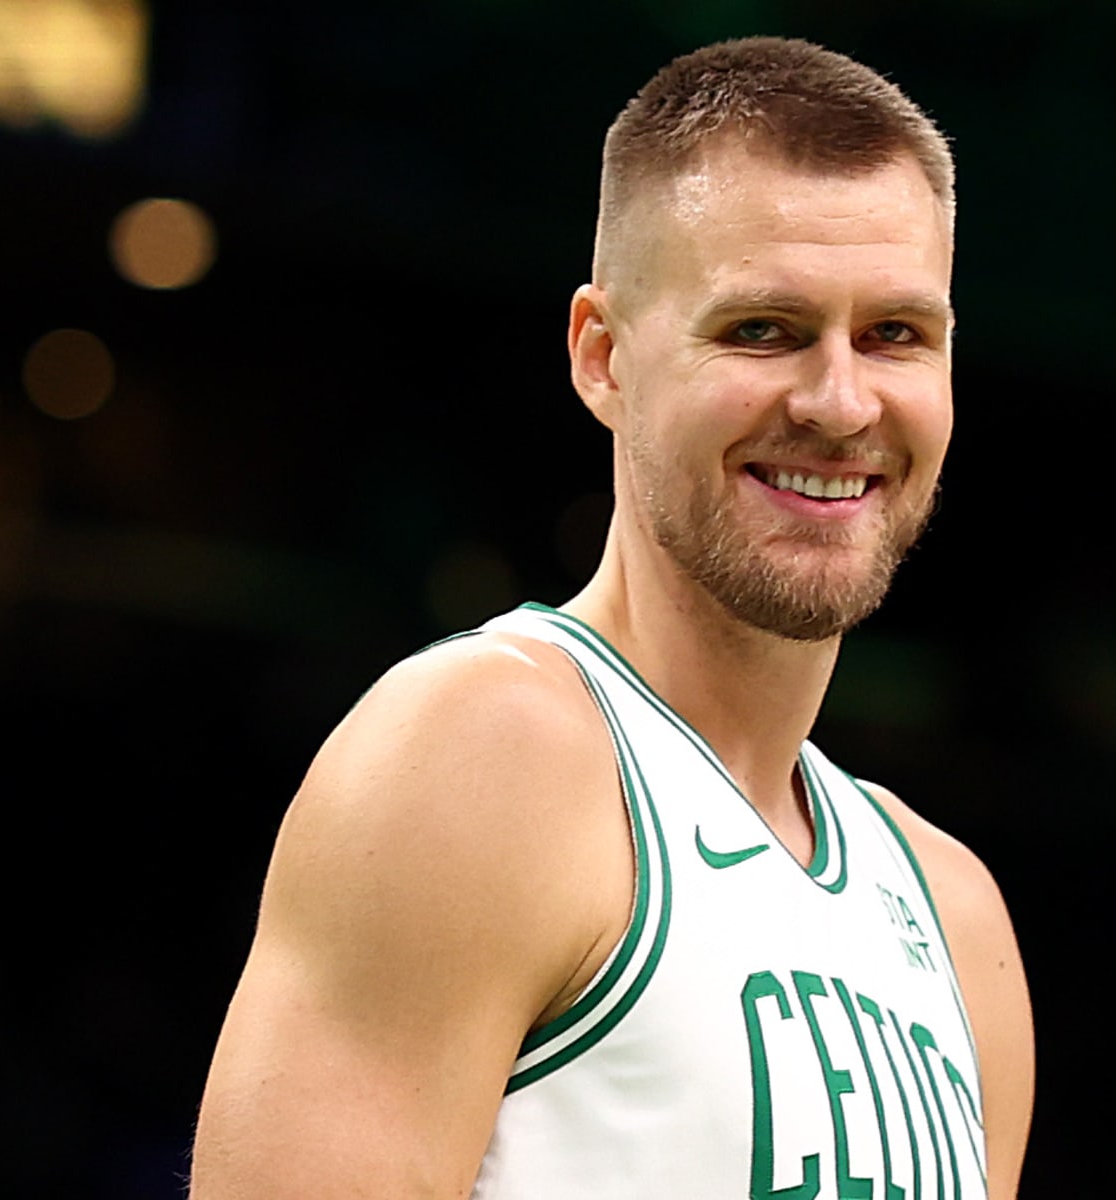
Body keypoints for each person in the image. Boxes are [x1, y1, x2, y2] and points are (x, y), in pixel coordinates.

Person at [189, 35, 1034, 1200]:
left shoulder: (956, 920)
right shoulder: (481, 755)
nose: (841, 403)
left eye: (895, 335)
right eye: (763, 330)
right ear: (603, 356)